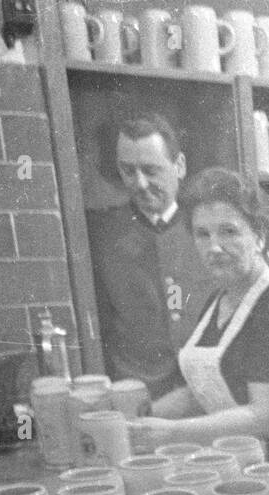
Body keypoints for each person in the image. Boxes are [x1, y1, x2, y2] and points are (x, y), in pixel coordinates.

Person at [130, 168, 269, 448]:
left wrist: (172, 432)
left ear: (260, 237)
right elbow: (202, 393)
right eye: (202, 234)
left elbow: (268, 414)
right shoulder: (218, 301)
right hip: (235, 456)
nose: (213, 247)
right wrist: (142, 416)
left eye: (229, 232)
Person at [85, 113, 215, 398]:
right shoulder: (102, 236)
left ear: (179, 166)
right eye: (128, 171)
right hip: (141, 397)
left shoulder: (213, 227)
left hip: (211, 393)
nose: (140, 183)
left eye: (151, 170)